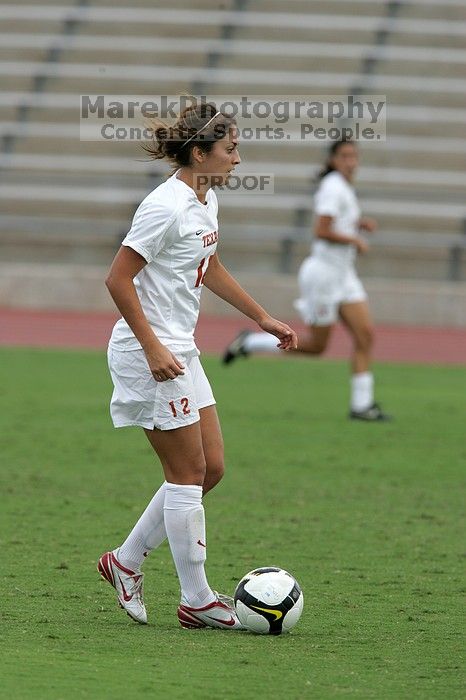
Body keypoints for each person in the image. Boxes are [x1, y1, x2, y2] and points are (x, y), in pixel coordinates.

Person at [97, 101, 297, 630]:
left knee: (211, 470)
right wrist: (154, 349)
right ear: (200, 152)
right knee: (186, 474)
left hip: (180, 349)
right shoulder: (164, 206)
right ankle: (197, 598)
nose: (238, 159)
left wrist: (262, 317)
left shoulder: (204, 201)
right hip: (150, 352)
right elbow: (118, 279)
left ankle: (125, 561)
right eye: (230, 149)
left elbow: (207, 267)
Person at [223, 139, 390, 421]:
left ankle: (362, 406)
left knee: (366, 335)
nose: (351, 161)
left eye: (354, 156)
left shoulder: (343, 187)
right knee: (316, 347)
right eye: (345, 156)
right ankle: (250, 343)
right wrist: (354, 239)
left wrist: (358, 224)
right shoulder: (333, 186)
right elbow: (321, 230)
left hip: (343, 275)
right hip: (323, 275)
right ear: (334, 160)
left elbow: (337, 222)